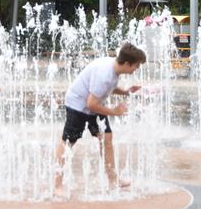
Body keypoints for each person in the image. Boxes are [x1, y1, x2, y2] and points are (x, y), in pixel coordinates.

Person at [54, 42, 147, 198]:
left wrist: (125, 92)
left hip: (92, 104)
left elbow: (108, 87)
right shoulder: (104, 74)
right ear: (126, 63)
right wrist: (114, 112)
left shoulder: (114, 68)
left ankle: (113, 180)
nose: (136, 69)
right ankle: (57, 185)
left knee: (106, 138)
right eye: (136, 66)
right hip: (78, 105)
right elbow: (91, 103)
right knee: (68, 142)